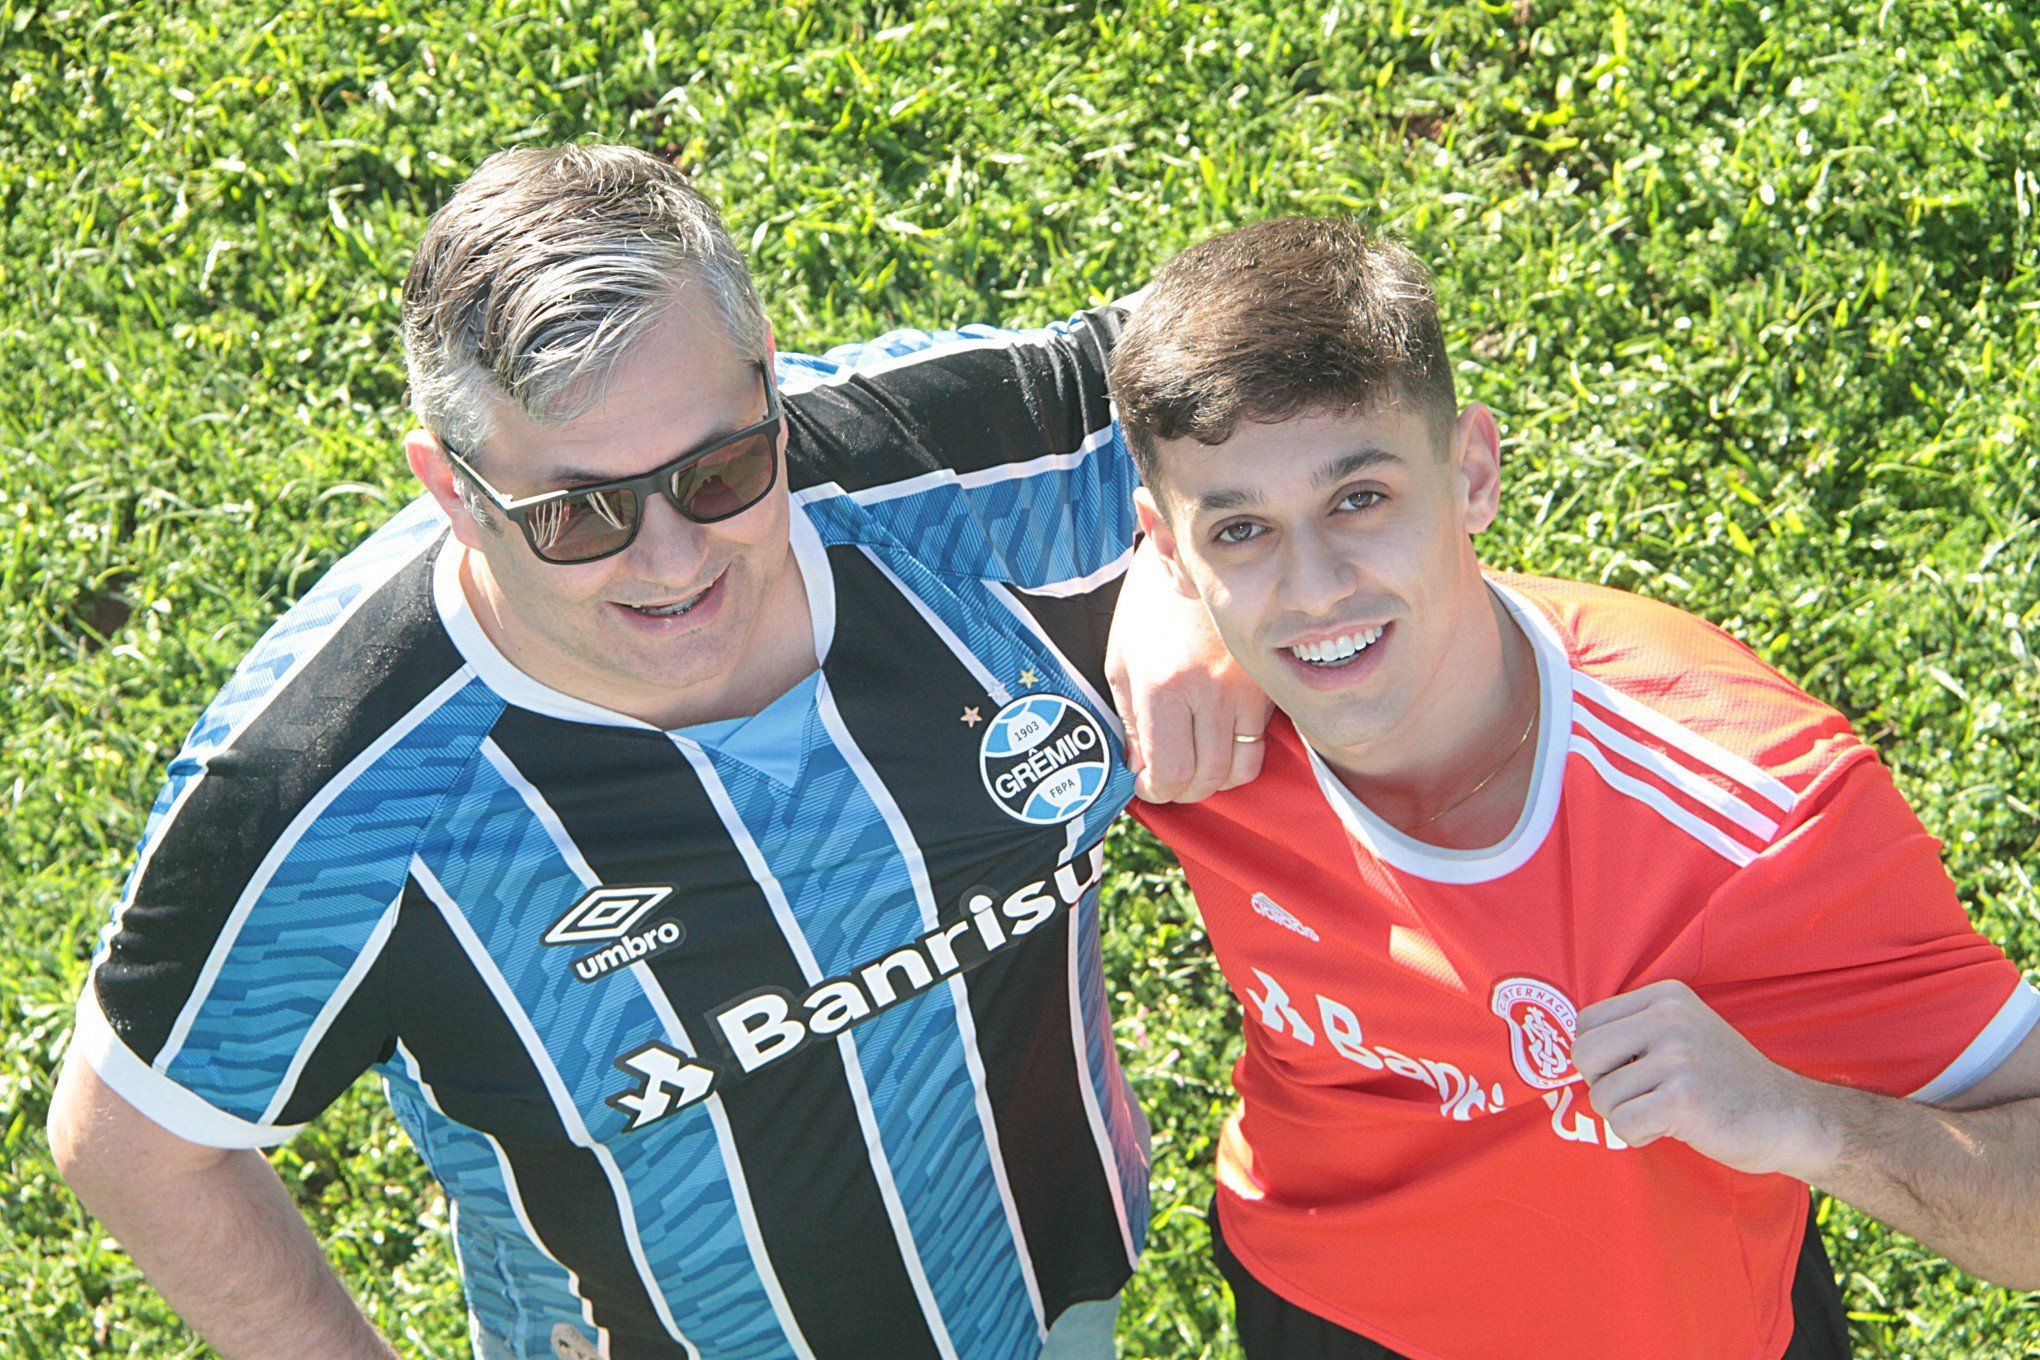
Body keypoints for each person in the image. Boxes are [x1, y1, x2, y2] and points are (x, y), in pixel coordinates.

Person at [45, 144, 1256, 1360]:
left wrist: (1190, 570)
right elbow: (134, 1140)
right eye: (577, 514)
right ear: (452, 491)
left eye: (719, 470)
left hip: (1050, 1298)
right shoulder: (337, 793)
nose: (673, 561)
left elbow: (1263, 356)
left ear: (770, 383)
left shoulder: (961, 471)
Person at [1112, 217, 2040, 1360]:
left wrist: (1805, 1121)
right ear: (1165, 544)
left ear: (1473, 472)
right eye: (1242, 528)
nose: (1313, 590)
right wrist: (1155, 601)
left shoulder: (1751, 813)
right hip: (1318, 1301)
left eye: (1361, 498)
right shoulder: (1176, 729)